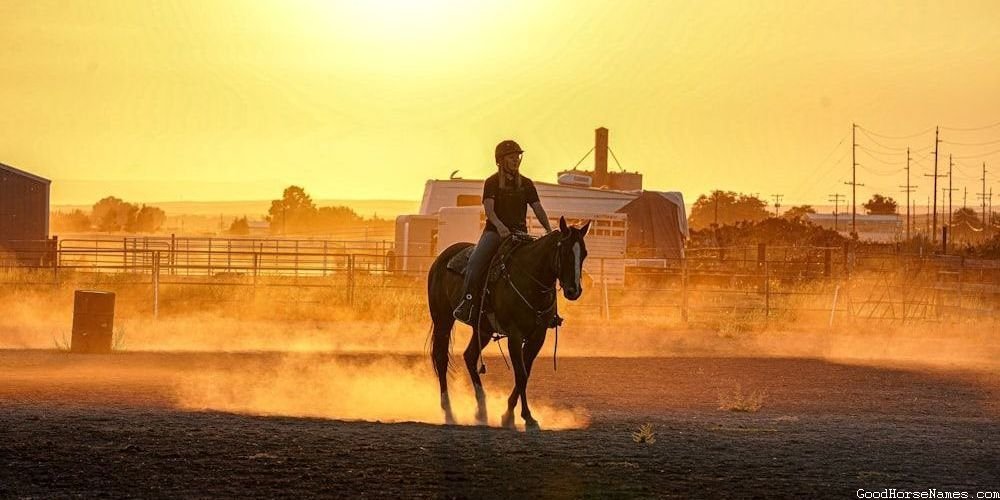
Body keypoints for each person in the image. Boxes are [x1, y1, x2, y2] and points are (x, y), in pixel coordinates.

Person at [453, 139, 553, 326]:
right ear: (501, 160)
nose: (516, 160)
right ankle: (467, 303)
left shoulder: (527, 184)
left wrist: (548, 229)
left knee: (543, 265)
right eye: (511, 157)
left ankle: (548, 311)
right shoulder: (491, 183)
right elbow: (489, 210)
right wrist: (500, 226)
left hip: (520, 234)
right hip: (495, 233)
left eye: (517, 157)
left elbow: (538, 208)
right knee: (475, 262)